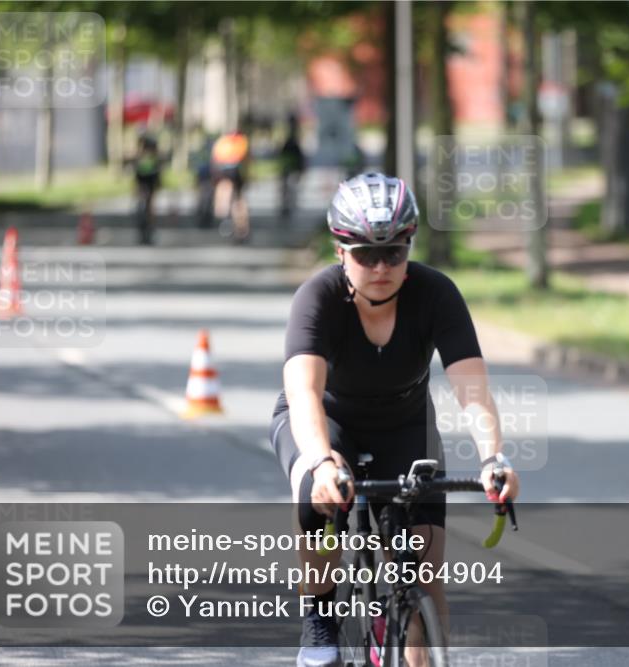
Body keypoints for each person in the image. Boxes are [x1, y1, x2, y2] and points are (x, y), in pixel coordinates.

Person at [269, 173, 520, 667]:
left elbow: (472, 391)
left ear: (410, 248)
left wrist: (493, 457)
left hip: (404, 427)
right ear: (340, 250)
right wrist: (321, 464)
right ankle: (319, 619)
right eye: (366, 254)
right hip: (324, 421)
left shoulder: (436, 294)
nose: (381, 267)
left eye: (395, 254)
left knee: (423, 574)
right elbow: (304, 395)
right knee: (318, 496)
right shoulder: (316, 298)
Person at [210, 128, 250, 242]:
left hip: (223, 172)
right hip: (236, 172)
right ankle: (242, 227)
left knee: (224, 192)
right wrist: (247, 176)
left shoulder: (221, 142)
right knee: (239, 199)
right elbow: (247, 160)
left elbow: (214, 159)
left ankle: (224, 216)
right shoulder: (242, 141)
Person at [133, 133, 162, 245]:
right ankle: (148, 226)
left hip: (149, 181)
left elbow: (156, 173)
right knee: (148, 204)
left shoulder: (149, 157)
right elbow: (138, 173)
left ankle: (150, 227)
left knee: (150, 204)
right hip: (145, 180)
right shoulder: (144, 157)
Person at [279, 113, 307, 218]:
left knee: (289, 188)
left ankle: (287, 206)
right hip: (289, 166)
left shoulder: (293, 139)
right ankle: (286, 206)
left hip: (290, 166)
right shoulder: (292, 139)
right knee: (288, 188)